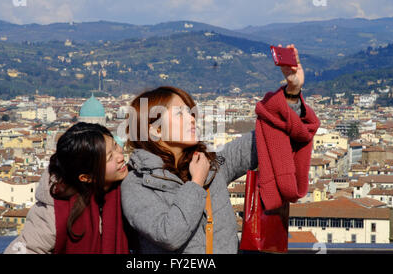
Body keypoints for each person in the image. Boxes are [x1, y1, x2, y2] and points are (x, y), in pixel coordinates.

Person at [120, 45, 307, 254]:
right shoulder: (136, 183)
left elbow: (264, 141)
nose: (192, 118)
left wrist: (292, 93)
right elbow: (168, 234)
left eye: (190, 112)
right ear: (154, 131)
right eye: (180, 114)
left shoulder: (213, 164)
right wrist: (196, 184)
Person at [4, 122, 130, 254]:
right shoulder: (54, 212)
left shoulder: (132, 187)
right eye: (109, 158)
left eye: (116, 146)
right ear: (86, 178)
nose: (120, 157)